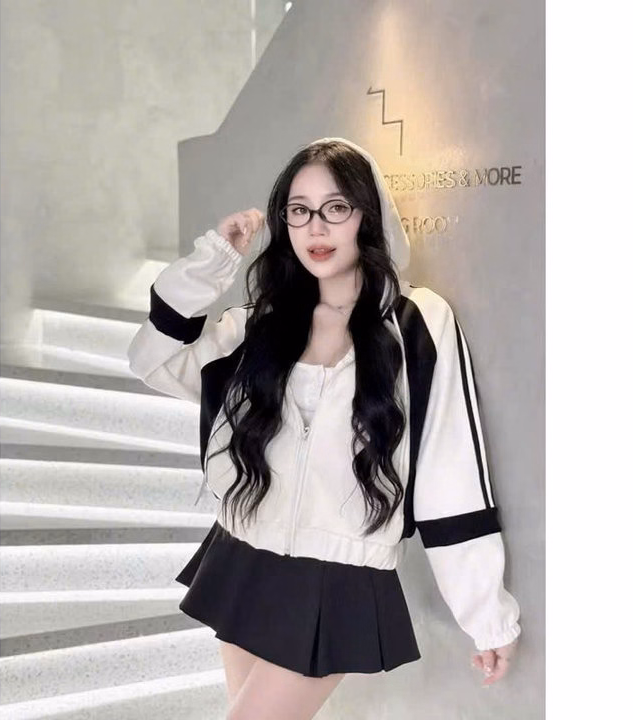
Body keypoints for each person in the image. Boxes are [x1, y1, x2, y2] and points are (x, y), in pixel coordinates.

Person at [127, 137, 521, 719]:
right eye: (299, 209)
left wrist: (487, 616)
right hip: (243, 552)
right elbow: (153, 361)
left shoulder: (418, 322)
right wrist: (211, 265)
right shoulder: (262, 323)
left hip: (337, 580)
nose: (316, 226)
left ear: (367, 214)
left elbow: (451, 469)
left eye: (336, 207)